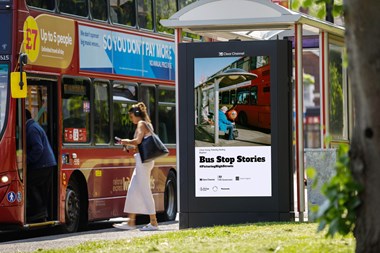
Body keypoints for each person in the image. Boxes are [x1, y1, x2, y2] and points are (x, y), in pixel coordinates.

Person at [113, 102, 159, 231]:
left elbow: (137, 141)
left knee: (145, 191)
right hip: (144, 160)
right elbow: (140, 143)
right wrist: (129, 146)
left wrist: (123, 141)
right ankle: (131, 222)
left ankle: (153, 222)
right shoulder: (147, 124)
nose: (130, 118)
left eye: (131, 116)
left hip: (143, 161)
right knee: (133, 189)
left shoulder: (141, 124)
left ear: (137, 114)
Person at [25, 109, 56, 222]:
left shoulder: (31, 129)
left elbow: (38, 148)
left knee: (28, 183)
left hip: (42, 164)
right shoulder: (33, 126)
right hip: (46, 163)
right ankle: (41, 213)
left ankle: (39, 212)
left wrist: (27, 161)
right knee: (42, 190)